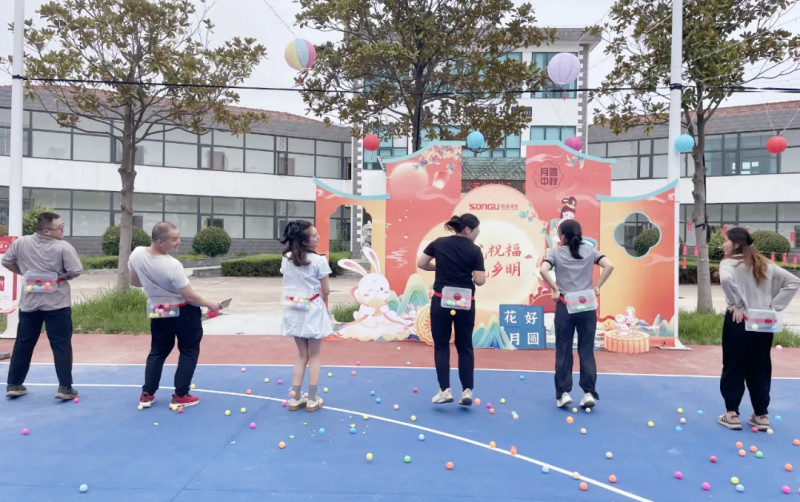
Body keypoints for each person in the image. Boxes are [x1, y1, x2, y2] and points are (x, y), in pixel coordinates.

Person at [129, 222, 222, 409]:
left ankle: (147, 394)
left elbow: (135, 281)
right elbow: (190, 297)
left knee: (158, 351)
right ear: (159, 241)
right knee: (188, 351)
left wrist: (155, 287)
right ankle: (181, 395)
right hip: (183, 311)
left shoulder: (136, 254)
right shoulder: (173, 265)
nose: (178, 242)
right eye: (174, 239)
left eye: (178, 237)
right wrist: (210, 303)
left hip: (158, 308)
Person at [718, 227, 800, 431]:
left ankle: (732, 414)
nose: (723, 244)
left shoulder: (728, 263)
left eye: (726, 241)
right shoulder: (764, 263)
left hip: (738, 319)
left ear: (736, 244)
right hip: (763, 323)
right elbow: (793, 281)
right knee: (760, 367)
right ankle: (761, 415)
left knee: (734, 365)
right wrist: (773, 308)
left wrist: (737, 303)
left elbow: (726, 280)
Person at [4, 212, 82, 400]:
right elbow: (76, 270)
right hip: (57, 303)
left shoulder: (21, 243)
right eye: (60, 228)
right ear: (46, 231)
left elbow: (6, 261)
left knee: (23, 343)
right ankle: (65, 387)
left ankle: (14, 384)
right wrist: (60, 277)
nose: (63, 231)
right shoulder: (63, 247)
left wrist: (25, 273)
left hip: (30, 303)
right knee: (61, 344)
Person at [539, 219, 614, 409]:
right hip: (586, 306)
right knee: (586, 350)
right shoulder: (590, 251)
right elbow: (609, 265)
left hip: (565, 305)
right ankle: (588, 393)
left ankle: (563, 393)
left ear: (562, 236)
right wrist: (597, 286)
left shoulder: (555, 252)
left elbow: (543, 270)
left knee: (564, 350)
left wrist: (555, 289)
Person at [416, 213, 486, 406]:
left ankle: (444, 390)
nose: (477, 233)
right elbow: (480, 280)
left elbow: (421, 263)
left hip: (441, 300)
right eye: (477, 230)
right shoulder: (474, 250)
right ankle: (467, 391)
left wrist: (440, 268)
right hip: (465, 303)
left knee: (441, 345)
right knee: (465, 346)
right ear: (467, 229)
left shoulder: (439, 243)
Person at [280, 220, 332, 413]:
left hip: (293, 307)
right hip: (312, 309)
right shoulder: (319, 261)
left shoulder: (286, 258)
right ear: (304, 241)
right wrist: (324, 300)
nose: (318, 237)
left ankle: (294, 398)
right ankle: (312, 398)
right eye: (314, 235)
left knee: (302, 355)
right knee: (314, 355)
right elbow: (326, 290)